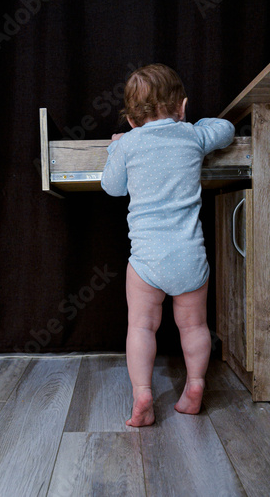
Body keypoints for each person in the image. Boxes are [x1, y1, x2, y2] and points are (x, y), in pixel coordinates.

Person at [101, 64, 235, 427]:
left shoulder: (129, 142)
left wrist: (116, 149)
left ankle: (142, 393)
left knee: (141, 327)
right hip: (190, 257)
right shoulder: (191, 135)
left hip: (147, 262)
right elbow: (226, 130)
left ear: (130, 119)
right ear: (183, 106)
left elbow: (112, 188)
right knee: (194, 326)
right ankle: (194, 387)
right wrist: (198, 124)